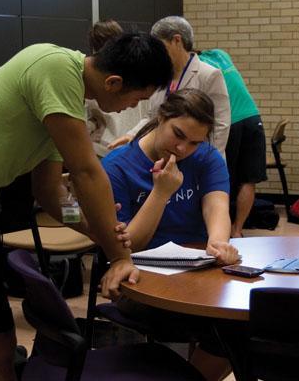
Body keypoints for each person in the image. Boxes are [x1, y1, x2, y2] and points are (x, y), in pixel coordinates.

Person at [0, 33, 173, 381]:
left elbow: (51, 193)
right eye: (137, 99)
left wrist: (94, 228)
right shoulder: (54, 68)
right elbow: (86, 172)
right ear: (113, 82)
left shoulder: (66, 102)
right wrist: (119, 257)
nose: (133, 108)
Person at [102, 88, 238, 381]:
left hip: (196, 274)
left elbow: (217, 205)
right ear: (161, 117)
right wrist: (161, 193)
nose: (182, 149)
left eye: (194, 142)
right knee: (225, 329)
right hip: (140, 281)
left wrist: (219, 241)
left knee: (239, 324)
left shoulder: (207, 158)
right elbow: (129, 245)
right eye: (178, 134)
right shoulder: (117, 167)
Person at [108, 16, 231, 158]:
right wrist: (132, 134)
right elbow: (154, 115)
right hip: (166, 155)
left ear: (176, 40)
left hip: (198, 157)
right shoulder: (161, 76)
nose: (157, 54)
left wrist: (206, 158)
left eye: (160, 46)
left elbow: (220, 124)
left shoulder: (209, 75)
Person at [198, 48, 267, 237]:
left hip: (229, 121)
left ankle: (223, 228)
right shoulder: (220, 54)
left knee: (223, 177)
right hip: (252, 117)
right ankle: (237, 229)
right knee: (249, 179)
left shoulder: (198, 67)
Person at [85, 20, 149, 157]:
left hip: (112, 147)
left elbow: (150, 113)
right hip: (122, 146)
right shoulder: (140, 71)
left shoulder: (96, 75)